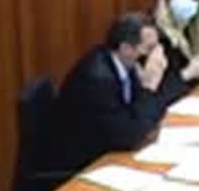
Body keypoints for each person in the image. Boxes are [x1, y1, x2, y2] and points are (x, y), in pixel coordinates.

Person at [54, 13, 170, 169]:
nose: (156, 56)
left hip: (110, 149)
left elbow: (149, 116)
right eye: (149, 48)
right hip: (86, 163)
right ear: (126, 48)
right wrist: (149, 87)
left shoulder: (126, 63)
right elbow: (130, 136)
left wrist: (149, 88)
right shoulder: (98, 80)